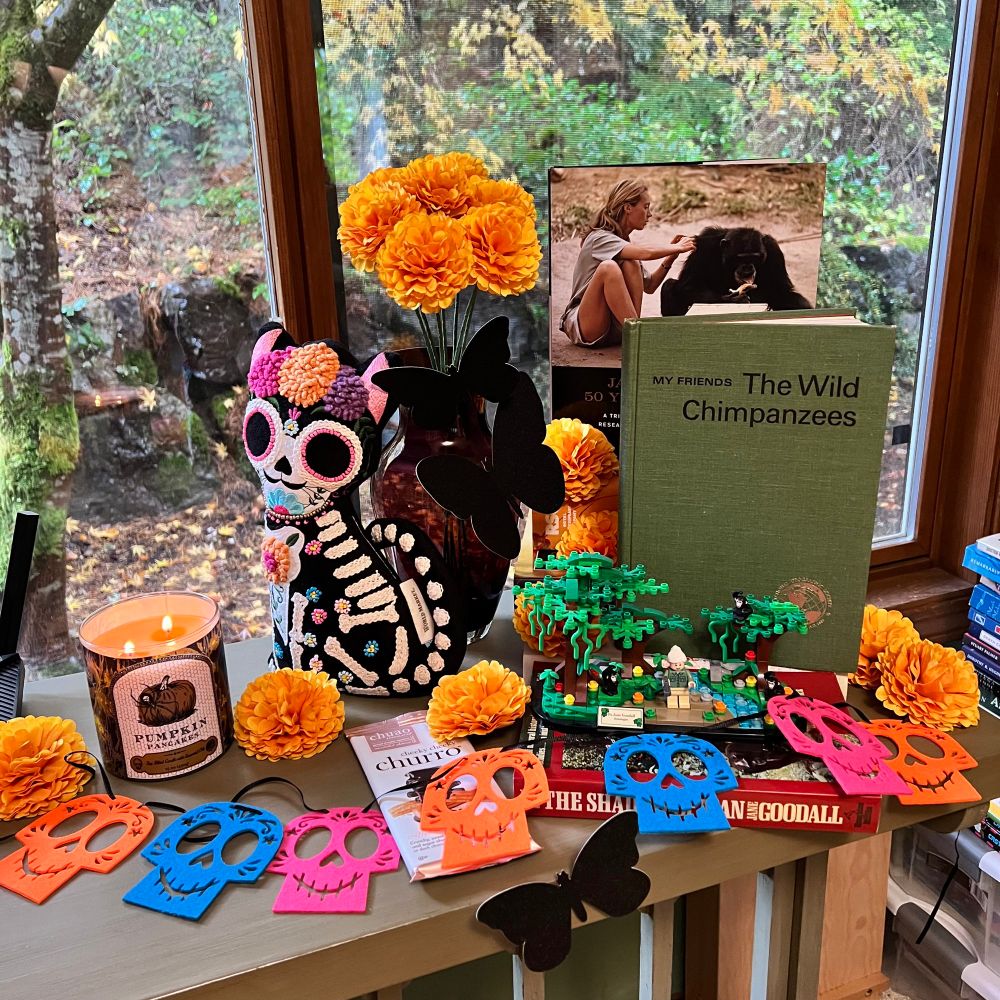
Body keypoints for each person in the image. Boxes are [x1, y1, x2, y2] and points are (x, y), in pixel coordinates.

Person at [560, 179, 696, 347]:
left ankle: (633, 331)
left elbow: (651, 285)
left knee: (630, 264)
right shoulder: (599, 238)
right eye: (645, 207)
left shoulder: (624, 245)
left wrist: (671, 256)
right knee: (608, 268)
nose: (650, 214)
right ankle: (638, 334)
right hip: (585, 325)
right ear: (628, 207)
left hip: (614, 329)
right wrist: (676, 247)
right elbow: (645, 253)